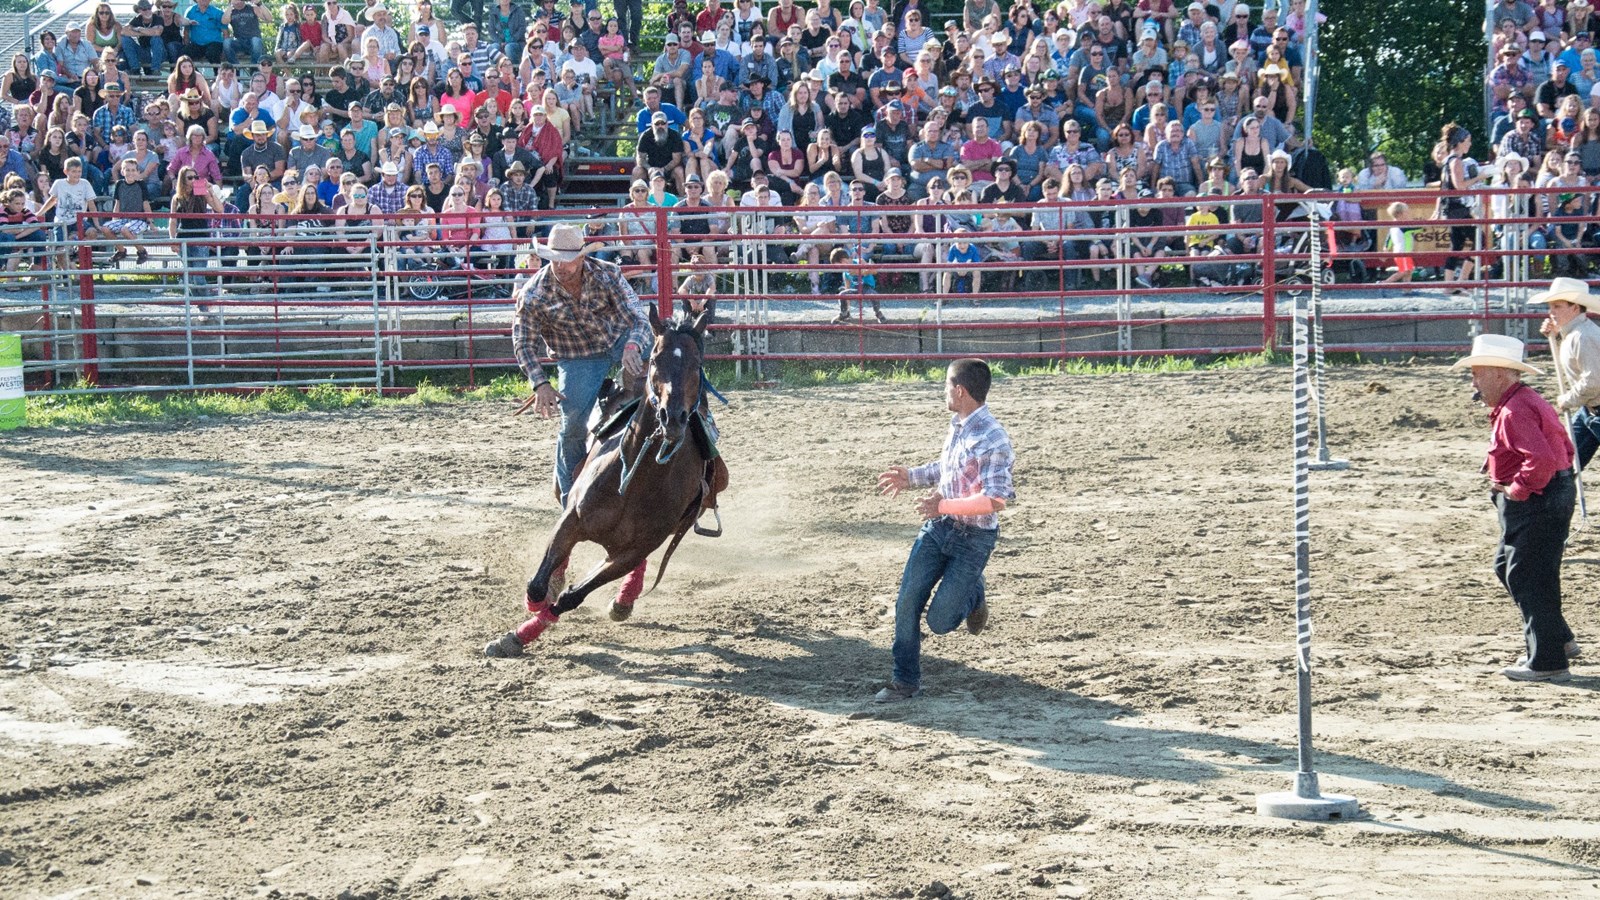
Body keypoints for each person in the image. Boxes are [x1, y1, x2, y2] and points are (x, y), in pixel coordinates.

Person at [873, 357, 1016, 703]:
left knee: (940, 621)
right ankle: (904, 681)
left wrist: (943, 506)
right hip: (939, 529)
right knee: (907, 601)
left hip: (973, 540)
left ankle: (975, 595)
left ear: (960, 390)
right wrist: (913, 477)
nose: (944, 391)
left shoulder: (994, 437)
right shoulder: (958, 424)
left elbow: (995, 500)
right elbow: (950, 468)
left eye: (946, 385)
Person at [1452, 334, 1581, 683]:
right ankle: (1556, 640)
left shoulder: (1514, 410)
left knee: (1527, 575)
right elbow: (1563, 448)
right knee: (1514, 569)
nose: (1474, 383)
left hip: (1536, 499)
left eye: (1477, 374)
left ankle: (1548, 660)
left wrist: (1517, 490)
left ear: (1498, 373)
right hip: (1550, 493)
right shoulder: (1525, 401)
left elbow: (1540, 460)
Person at [512, 222, 651, 505]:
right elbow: (523, 343)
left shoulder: (607, 274)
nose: (560, 266)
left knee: (666, 368)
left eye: (566, 260)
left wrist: (633, 346)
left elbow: (638, 317)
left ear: (581, 257)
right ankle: (569, 500)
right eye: (554, 259)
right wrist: (540, 383)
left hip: (619, 340)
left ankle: (696, 429)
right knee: (573, 423)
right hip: (577, 357)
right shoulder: (534, 294)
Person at [1534, 277, 1600, 470]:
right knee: (1562, 463)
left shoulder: (1582, 337)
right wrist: (1556, 334)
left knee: (1563, 463)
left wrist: (1568, 399)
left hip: (1594, 406)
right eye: (1550, 307)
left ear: (1575, 308)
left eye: (1557, 306)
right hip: (1590, 409)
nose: (1551, 312)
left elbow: (1593, 381)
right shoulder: (1576, 333)